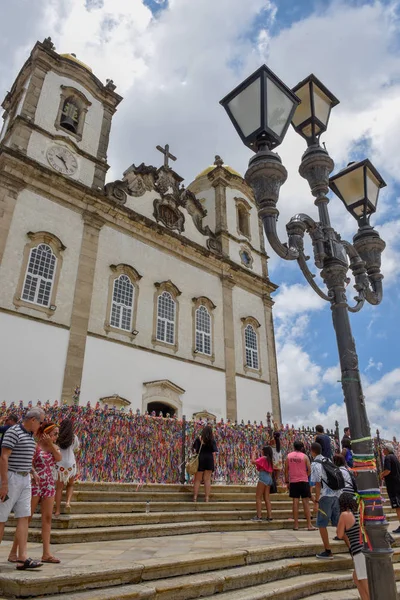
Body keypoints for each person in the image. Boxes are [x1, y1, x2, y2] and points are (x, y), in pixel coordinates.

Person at [8, 422, 62, 564]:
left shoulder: (54, 448)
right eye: (55, 433)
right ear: (47, 433)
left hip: (49, 483)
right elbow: (29, 462)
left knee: (48, 518)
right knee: (27, 518)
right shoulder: (35, 447)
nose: (57, 436)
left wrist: (51, 445)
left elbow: (59, 458)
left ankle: (46, 553)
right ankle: (14, 551)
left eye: (57, 434)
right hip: (36, 483)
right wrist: (33, 472)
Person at [0, 407, 45, 570]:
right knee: (1, 517)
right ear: (33, 420)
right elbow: (4, 457)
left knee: (24, 516)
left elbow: (25, 456)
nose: (40, 425)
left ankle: (22, 557)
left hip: (25, 478)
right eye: (40, 422)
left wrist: (33, 471)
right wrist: (4, 483)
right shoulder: (13, 432)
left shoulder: (30, 436)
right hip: (11, 477)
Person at [336, 492, 370, 600]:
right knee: (356, 578)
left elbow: (339, 534)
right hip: (366, 549)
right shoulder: (359, 512)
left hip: (358, 552)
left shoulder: (345, 515)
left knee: (365, 583)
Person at [311, 441, 341, 559]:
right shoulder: (328, 460)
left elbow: (317, 484)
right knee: (339, 524)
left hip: (325, 497)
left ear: (312, 451)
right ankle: (353, 549)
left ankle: (328, 551)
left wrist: (316, 501)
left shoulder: (315, 464)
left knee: (322, 524)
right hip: (336, 494)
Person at [285, 440, 316, 531]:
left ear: (294, 447)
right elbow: (309, 470)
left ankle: (296, 525)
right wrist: (304, 475)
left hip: (294, 482)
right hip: (304, 481)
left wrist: (287, 481)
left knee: (295, 503)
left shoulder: (288, 456)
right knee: (306, 503)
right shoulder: (305, 457)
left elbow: (286, 470)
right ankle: (309, 525)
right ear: (302, 448)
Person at [54, 419, 80, 516]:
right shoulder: (74, 437)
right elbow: (76, 448)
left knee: (59, 488)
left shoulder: (57, 437)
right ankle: (68, 502)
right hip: (70, 463)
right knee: (70, 485)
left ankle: (57, 510)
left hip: (60, 463)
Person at [192, 425, 218, 503]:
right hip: (209, 459)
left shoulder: (198, 439)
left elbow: (194, 450)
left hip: (200, 459)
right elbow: (214, 452)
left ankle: (195, 498)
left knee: (197, 480)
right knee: (207, 480)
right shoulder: (212, 440)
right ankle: (206, 498)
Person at [380, 443, 400, 534]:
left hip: (393, 486)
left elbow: (388, 470)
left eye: (384, 449)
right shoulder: (395, 458)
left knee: (398, 507)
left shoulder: (388, 458)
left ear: (387, 449)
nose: (383, 450)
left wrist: (381, 474)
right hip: (397, 484)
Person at [251, 445, 274, 522]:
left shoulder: (264, 458)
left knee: (258, 497)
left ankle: (259, 516)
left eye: (262, 450)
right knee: (267, 498)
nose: (261, 451)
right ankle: (269, 515)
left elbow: (253, 461)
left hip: (263, 477)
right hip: (268, 478)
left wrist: (253, 453)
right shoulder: (269, 459)